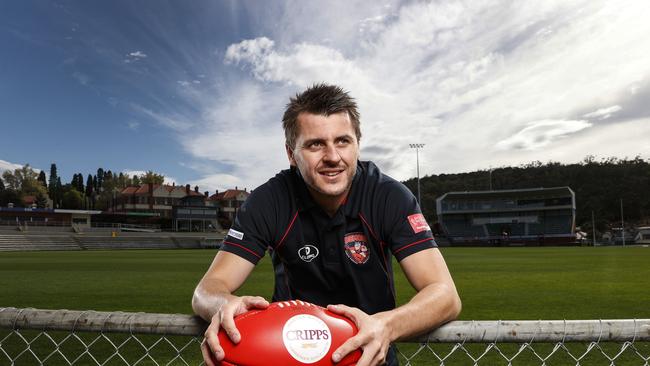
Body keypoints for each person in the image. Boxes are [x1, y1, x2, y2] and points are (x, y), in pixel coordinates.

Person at [192, 83, 461, 366]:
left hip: (369, 351)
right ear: (291, 154)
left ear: (357, 144)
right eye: (315, 144)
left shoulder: (388, 196)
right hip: (292, 351)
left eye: (343, 141)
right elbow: (207, 290)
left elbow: (445, 295)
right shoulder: (268, 200)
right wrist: (223, 305)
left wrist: (386, 326)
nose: (333, 157)